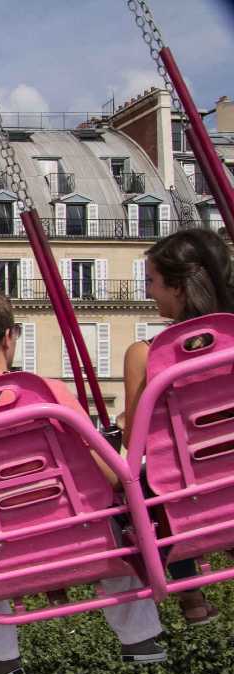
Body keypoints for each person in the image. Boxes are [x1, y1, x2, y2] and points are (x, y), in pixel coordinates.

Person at [0, 290, 166, 674]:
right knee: (116, 513)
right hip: (82, 534)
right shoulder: (48, 393)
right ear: (9, 338)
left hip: (1, 550)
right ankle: (140, 635)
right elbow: (103, 470)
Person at [121, 227, 234, 625]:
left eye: (152, 281)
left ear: (180, 287)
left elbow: (138, 442)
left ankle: (190, 597)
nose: (149, 292)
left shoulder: (149, 356)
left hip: (188, 492)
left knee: (133, 494)